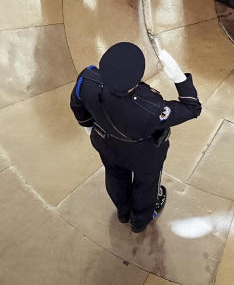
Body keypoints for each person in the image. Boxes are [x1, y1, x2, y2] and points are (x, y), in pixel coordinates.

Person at [70, 42, 201, 233]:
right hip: (143, 154)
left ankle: (123, 212)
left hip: (105, 142)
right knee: (146, 185)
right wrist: (179, 77)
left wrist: (90, 128)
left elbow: (77, 105)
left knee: (114, 174)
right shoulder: (150, 107)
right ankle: (140, 220)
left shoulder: (87, 79)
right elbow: (192, 108)